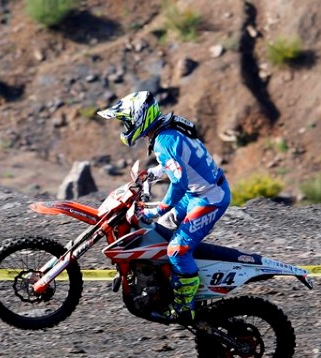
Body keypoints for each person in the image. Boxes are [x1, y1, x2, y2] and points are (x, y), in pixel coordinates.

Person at [98, 90, 230, 321]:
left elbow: (179, 183)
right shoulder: (165, 131)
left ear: (141, 118)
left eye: (127, 121)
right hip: (198, 192)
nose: (125, 126)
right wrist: (150, 175)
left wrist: (158, 209)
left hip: (210, 197)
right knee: (159, 232)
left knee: (177, 250)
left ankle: (185, 306)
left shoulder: (163, 141)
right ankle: (167, 281)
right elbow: (178, 166)